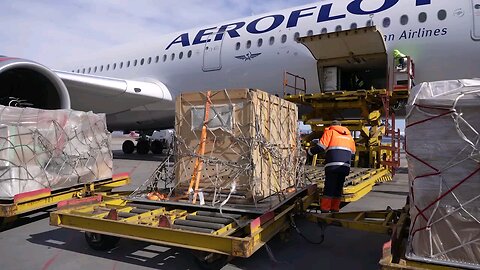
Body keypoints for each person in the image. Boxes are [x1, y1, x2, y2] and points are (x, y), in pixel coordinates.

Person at [308, 120, 356, 213]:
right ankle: (335, 209)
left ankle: (325, 210)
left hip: (332, 165)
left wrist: (308, 152)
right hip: (345, 166)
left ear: (331, 126)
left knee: (329, 187)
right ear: (341, 126)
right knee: (338, 187)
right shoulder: (349, 137)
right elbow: (353, 153)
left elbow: (321, 147)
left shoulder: (330, 132)